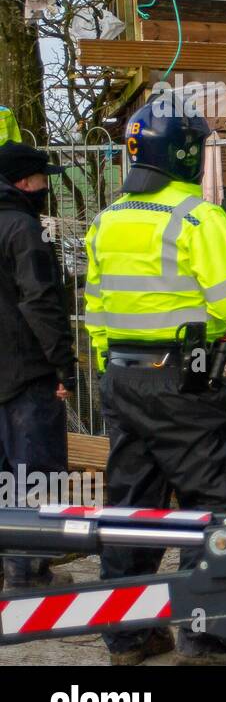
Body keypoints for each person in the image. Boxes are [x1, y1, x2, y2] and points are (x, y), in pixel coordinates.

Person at [85, 92, 226, 666]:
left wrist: (115, 363)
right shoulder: (197, 216)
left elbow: (95, 309)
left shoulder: (107, 219)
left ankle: (129, 636)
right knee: (215, 502)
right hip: (182, 381)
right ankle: (206, 635)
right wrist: (198, 331)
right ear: (186, 155)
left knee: (132, 506)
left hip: (121, 378)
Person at [0, 142, 75, 591]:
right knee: (35, 474)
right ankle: (27, 572)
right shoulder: (24, 229)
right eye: (43, 178)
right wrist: (63, 364)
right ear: (25, 182)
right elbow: (40, 301)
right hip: (26, 372)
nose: (47, 185)